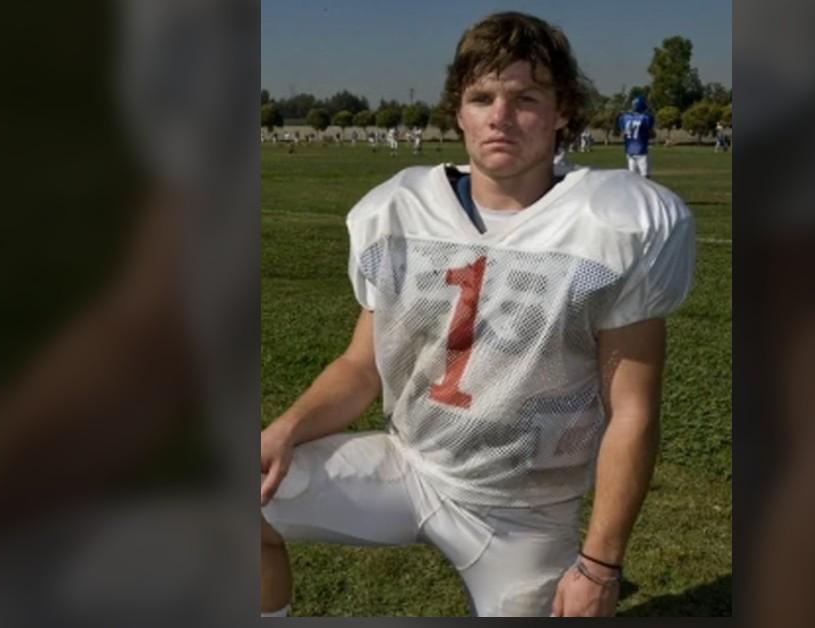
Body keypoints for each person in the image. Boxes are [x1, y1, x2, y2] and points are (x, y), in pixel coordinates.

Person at [259, 11, 695, 618]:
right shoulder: (400, 212)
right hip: (410, 464)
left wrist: (599, 565)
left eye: (526, 98)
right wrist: (285, 429)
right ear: (458, 112)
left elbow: (633, 409)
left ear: (562, 110)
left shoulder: (614, 224)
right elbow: (362, 366)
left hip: (525, 512)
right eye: (482, 97)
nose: (500, 116)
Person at [617, 96, 654, 178]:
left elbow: (623, 133)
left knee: (632, 178)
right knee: (645, 178)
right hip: (641, 150)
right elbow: (652, 134)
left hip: (629, 151)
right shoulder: (646, 117)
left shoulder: (624, 118)